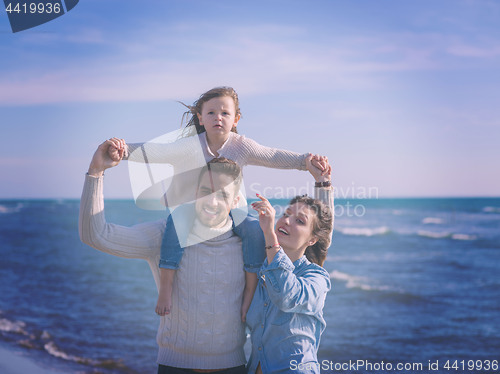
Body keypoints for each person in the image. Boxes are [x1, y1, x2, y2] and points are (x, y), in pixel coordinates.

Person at [108, 86, 329, 319]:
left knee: (254, 231)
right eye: (211, 113)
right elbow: (157, 152)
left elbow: (271, 155)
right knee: (175, 224)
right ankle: (165, 286)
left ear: (236, 119)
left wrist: (305, 162)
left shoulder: (241, 145)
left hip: (233, 206)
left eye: (225, 113)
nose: (218, 118)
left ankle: (249, 293)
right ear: (201, 118)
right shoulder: (190, 145)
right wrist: (122, 151)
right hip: (195, 205)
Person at [246, 158, 334, 374]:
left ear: (312, 239)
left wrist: (323, 185)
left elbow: (287, 295)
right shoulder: (261, 268)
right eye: (286, 214)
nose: (286, 221)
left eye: (300, 221)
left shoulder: (316, 278)